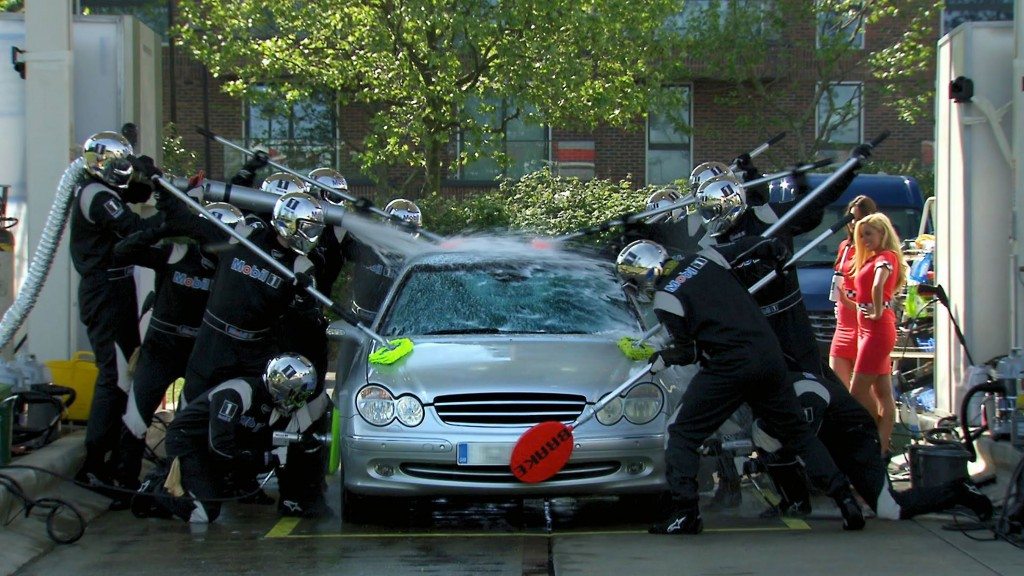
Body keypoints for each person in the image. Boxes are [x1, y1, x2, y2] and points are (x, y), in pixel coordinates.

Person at [616, 240, 865, 535]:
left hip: (729, 367)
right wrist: (773, 248)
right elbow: (751, 246)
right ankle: (846, 499)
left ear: (644, 273)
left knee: (680, 432)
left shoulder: (666, 299)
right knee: (797, 432)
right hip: (769, 356)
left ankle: (685, 513)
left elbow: (689, 351)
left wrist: (662, 358)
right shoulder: (706, 259)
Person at [105, 204, 241, 508]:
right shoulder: (178, 253)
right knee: (136, 418)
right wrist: (163, 228)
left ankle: (180, 487)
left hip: (199, 356)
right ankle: (124, 484)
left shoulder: (232, 268)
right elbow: (121, 252)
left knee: (188, 426)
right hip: (160, 349)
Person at [754, 371, 993, 522]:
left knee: (891, 510)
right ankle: (796, 501)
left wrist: (763, 462)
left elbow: (808, 449)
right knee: (762, 433)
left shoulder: (806, 393)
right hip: (828, 441)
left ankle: (960, 490)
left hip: (855, 441)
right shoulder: (774, 397)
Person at [70, 131, 166, 486]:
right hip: (104, 291)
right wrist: (174, 211)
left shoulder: (107, 190)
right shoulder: (96, 194)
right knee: (114, 375)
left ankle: (110, 457)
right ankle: (94, 462)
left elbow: (138, 193)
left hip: (118, 288)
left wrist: (150, 176)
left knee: (126, 372)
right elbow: (135, 228)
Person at [180, 191, 325, 404]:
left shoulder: (301, 266)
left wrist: (303, 299)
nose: (312, 234)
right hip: (213, 343)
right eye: (308, 227)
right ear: (289, 223)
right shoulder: (242, 236)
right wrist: (186, 197)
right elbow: (190, 224)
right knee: (191, 406)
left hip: (253, 353)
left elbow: (308, 327)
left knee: (245, 410)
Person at [138, 354, 317, 523]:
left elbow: (280, 447)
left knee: (261, 457)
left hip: (220, 445)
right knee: (203, 513)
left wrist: (300, 443)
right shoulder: (238, 392)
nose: (299, 402)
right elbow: (219, 448)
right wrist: (255, 457)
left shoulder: (281, 409)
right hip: (189, 439)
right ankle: (155, 488)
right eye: (296, 395)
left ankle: (228, 484)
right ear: (280, 387)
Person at [850, 213, 906, 454]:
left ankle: (875, 437)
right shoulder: (874, 259)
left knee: (857, 393)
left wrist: (876, 309)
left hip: (877, 330)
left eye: (869, 234)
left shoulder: (886, 258)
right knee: (882, 392)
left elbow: (877, 285)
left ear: (883, 233)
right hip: (870, 329)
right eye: (862, 235)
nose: (864, 239)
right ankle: (882, 447)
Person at [829, 195, 880, 388]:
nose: (854, 225)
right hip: (843, 324)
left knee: (867, 392)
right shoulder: (845, 246)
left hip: (865, 324)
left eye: (859, 220)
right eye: (851, 219)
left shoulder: (875, 251)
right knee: (840, 389)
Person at [346, 198, 422, 323]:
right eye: (401, 228)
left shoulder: (417, 258)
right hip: (359, 320)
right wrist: (361, 216)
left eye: (408, 229)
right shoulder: (368, 246)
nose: (403, 234)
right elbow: (340, 246)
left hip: (394, 325)